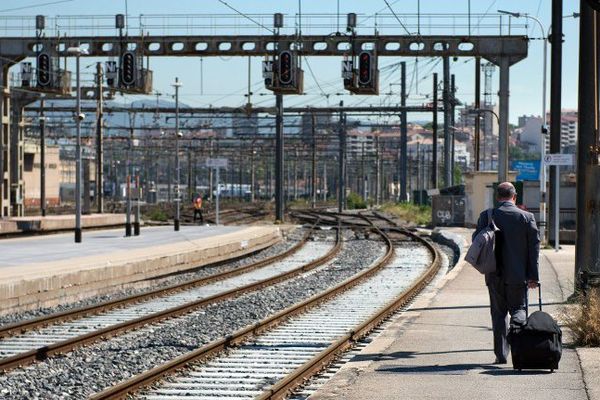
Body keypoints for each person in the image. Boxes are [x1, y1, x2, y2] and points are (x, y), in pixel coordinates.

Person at [472, 182, 540, 364]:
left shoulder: (487, 215)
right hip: (518, 275)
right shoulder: (527, 217)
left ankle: (501, 355)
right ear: (514, 197)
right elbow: (534, 250)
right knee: (518, 310)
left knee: (498, 314)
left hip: (493, 274)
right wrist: (533, 276)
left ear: (498, 197)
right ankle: (518, 351)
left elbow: (476, 241)